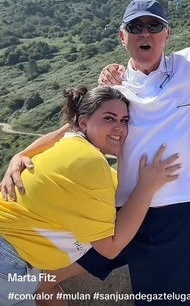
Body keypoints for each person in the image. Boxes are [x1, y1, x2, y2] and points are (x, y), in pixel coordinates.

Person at [2, 0, 190, 305]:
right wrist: (21, 155)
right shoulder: (116, 90)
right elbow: (69, 131)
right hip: (124, 207)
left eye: (154, 26)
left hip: (178, 209)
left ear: (167, 34)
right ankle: (44, 286)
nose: (144, 34)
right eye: (135, 27)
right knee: (130, 286)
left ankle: (43, 286)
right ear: (123, 37)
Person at [0, 86, 179, 305]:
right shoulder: (90, 162)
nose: (119, 128)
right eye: (109, 118)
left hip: (17, 262)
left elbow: (60, 134)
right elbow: (111, 248)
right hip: (9, 263)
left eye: (124, 121)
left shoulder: (70, 145)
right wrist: (147, 186)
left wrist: (21, 154)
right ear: (83, 123)